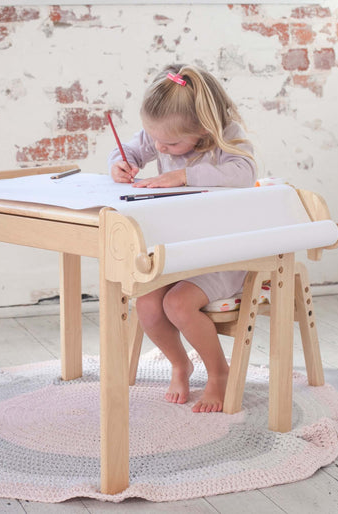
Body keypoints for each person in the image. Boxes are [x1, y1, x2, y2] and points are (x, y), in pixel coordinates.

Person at [108, 63, 257, 413]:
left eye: (171, 143)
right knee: (146, 303)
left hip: (221, 255)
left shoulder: (228, 138)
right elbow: (130, 149)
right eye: (154, 137)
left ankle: (219, 372)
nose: (159, 146)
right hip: (177, 251)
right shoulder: (160, 135)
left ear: (203, 129)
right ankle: (180, 364)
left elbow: (245, 173)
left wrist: (183, 175)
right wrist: (122, 161)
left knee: (177, 304)